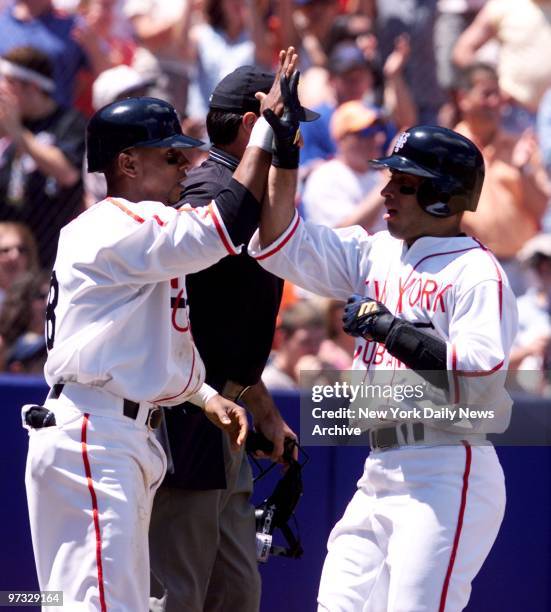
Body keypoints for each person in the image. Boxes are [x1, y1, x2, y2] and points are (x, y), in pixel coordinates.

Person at [22, 46, 301, 611]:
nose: (187, 167)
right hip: (94, 432)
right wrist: (268, 131)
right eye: (173, 157)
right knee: (99, 603)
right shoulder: (114, 224)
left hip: (112, 430)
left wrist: (202, 395)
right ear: (127, 164)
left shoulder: (138, 233)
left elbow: (145, 341)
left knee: (102, 600)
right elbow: (222, 228)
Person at [248, 124, 518, 610]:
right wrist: (283, 155)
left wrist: (395, 332)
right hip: (380, 467)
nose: (386, 190)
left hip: (445, 469)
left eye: (404, 182)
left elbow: (479, 383)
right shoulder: (378, 251)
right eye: (390, 176)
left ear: (441, 195)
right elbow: (278, 245)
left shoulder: (477, 272)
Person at [148, 65, 301, 612]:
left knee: (235, 591)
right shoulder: (207, 197)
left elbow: (230, 321)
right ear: (248, 125)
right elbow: (171, 318)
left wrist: (258, 403)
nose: (296, 136)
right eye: (285, 123)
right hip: (189, 411)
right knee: (176, 592)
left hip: (228, 411)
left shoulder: (253, 196)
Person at [454, 63, 550, 295]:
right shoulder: (450, 148)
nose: (495, 102)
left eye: (497, 94)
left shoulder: (521, 146)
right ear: (463, 98)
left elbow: (540, 210)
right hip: (473, 267)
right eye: (487, 94)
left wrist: (521, 169)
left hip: (524, 268)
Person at [0, 45, 87, 268]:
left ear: (33, 86)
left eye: (9, 82)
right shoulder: (9, 123)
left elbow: (67, 173)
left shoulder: (69, 122)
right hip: (10, 251)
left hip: (53, 248)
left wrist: (18, 133)